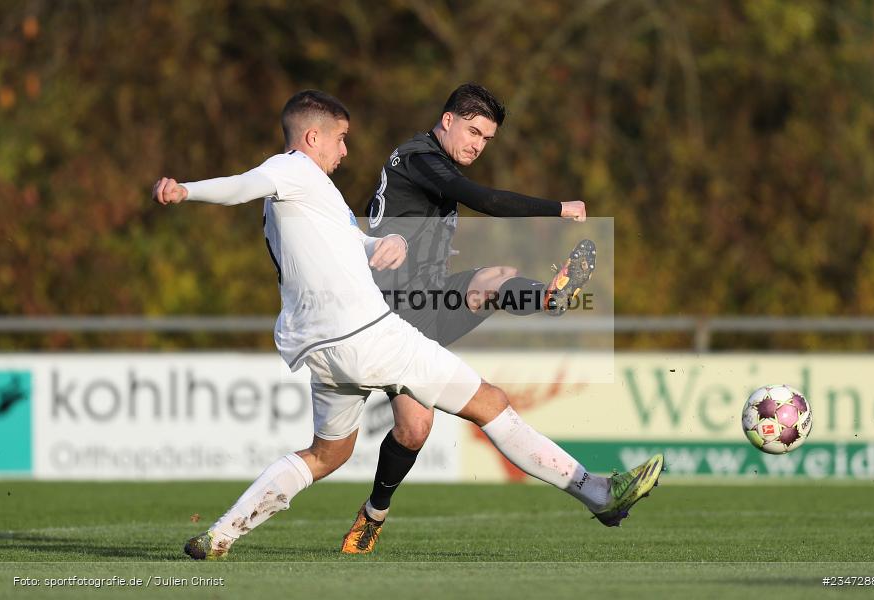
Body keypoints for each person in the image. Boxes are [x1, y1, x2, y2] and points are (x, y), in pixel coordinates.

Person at [153, 90, 663, 561]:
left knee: (329, 452)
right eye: (340, 138)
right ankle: (598, 493)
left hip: (321, 346)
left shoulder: (305, 198)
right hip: (371, 332)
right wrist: (186, 190)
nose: (346, 150)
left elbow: (347, 239)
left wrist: (384, 243)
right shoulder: (295, 169)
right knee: (488, 403)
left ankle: (220, 534)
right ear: (311, 137)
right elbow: (244, 184)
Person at [342, 83, 596, 553]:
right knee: (413, 430)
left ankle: (548, 298)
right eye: (473, 132)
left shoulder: (431, 163)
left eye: (487, 139)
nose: (478, 145)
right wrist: (558, 208)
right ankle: (373, 515)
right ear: (447, 120)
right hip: (391, 315)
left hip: (426, 301)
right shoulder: (420, 159)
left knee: (496, 278)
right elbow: (484, 200)